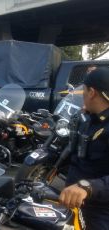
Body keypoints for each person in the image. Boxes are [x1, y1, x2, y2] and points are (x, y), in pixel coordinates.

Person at [59, 67, 109, 229]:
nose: (83, 96)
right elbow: (78, 155)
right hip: (73, 204)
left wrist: (88, 186)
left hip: (99, 212)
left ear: (92, 92)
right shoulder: (89, 118)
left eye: (84, 91)